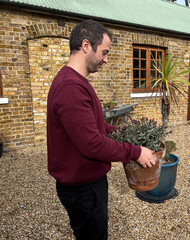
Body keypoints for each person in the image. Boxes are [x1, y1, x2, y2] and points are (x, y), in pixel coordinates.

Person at [47, 19, 156, 240]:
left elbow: (92, 127)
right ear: (86, 46)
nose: (106, 59)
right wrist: (134, 152)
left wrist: (123, 133)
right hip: (83, 189)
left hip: (86, 185)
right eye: (104, 52)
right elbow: (92, 144)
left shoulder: (76, 81)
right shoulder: (71, 87)